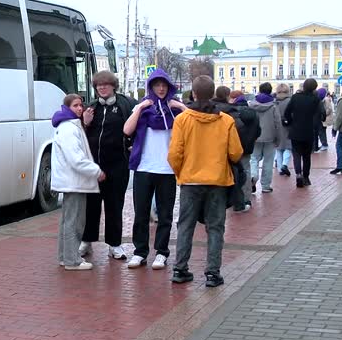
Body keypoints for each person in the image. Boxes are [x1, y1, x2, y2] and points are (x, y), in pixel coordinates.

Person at [166, 75, 242, 288]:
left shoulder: (182, 120)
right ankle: (212, 273)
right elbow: (236, 153)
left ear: (194, 94)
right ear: (214, 94)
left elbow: (174, 154)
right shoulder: (226, 121)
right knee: (216, 227)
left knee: (185, 226)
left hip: (190, 181)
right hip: (217, 181)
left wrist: (182, 173)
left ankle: (180, 269)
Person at [123, 68, 185, 270]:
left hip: (167, 170)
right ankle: (140, 252)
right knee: (141, 213)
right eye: (157, 85)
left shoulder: (175, 111)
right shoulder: (144, 108)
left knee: (165, 215)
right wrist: (140, 108)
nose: (160, 88)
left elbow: (192, 124)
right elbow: (127, 130)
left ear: (169, 87)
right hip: (144, 168)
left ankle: (161, 252)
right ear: (150, 87)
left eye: (164, 85)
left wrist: (181, 107)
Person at [79, 71, 134, 260]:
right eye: (98, 85)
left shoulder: (125, 104)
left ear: (113, 86)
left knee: (114, 205)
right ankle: (86, 240)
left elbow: (136, 126)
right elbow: (80, 137)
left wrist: (133, 145)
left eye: (105, 84)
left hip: (117, 165)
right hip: (94, 166)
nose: (101, 88)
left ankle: (114, 244)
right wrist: (84, 123)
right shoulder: (92, 108)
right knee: (91, 206)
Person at [51, 93, 105, 270]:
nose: (80, 108)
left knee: (68, 220)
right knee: (74, 221)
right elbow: (76, 159)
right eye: (75, 106)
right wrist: (96, 171)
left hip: (72, 181)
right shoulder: (69, 128)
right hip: (74, 181)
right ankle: (72, 260)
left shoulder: (70, 125)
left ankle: (64, 257)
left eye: (81, 105)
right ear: (67, 108)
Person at [214, 87, 259, 212]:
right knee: (244, 172)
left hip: (223, 149)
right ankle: (244, 199)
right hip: (244, 147)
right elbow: (257, 130)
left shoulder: (217, 111)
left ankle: (228, 200)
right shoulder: (248, 112)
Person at [282, 78, 322, 188]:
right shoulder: (315, 99)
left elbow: (287, 112)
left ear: (303, 86)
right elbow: (319, 114)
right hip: (309, 131)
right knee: (306, 156)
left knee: (296, 154)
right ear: (314, 88)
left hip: (295, 130)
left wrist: (290, 121)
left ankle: (298, 174)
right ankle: (306, 177)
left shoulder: (295, 97)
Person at [249, 82, 283, 194]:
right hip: (270, 137)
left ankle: (253, 176)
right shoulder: (273, 106)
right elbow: (278, 123)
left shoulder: (252, 104)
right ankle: (265, 186)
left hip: (254, 137)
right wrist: (278, 138)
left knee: (253, 159)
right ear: (270, 91)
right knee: (268, 162)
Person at [273, 83, 294, 177]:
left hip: (276, 126)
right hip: (288, 126)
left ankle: (280, 168)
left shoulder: (274, 102)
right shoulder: (290, 101)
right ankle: (285, 165)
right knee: (288, 147)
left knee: (279, 148)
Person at [316, 87, 333, 152]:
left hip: (324, 119)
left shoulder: (326, 99)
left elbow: (329, 109)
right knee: (321, 132)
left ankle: (324, 144)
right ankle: (324, 144)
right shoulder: (322, 99)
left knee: (321, 132)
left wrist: (323, 114)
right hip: (322, 119)